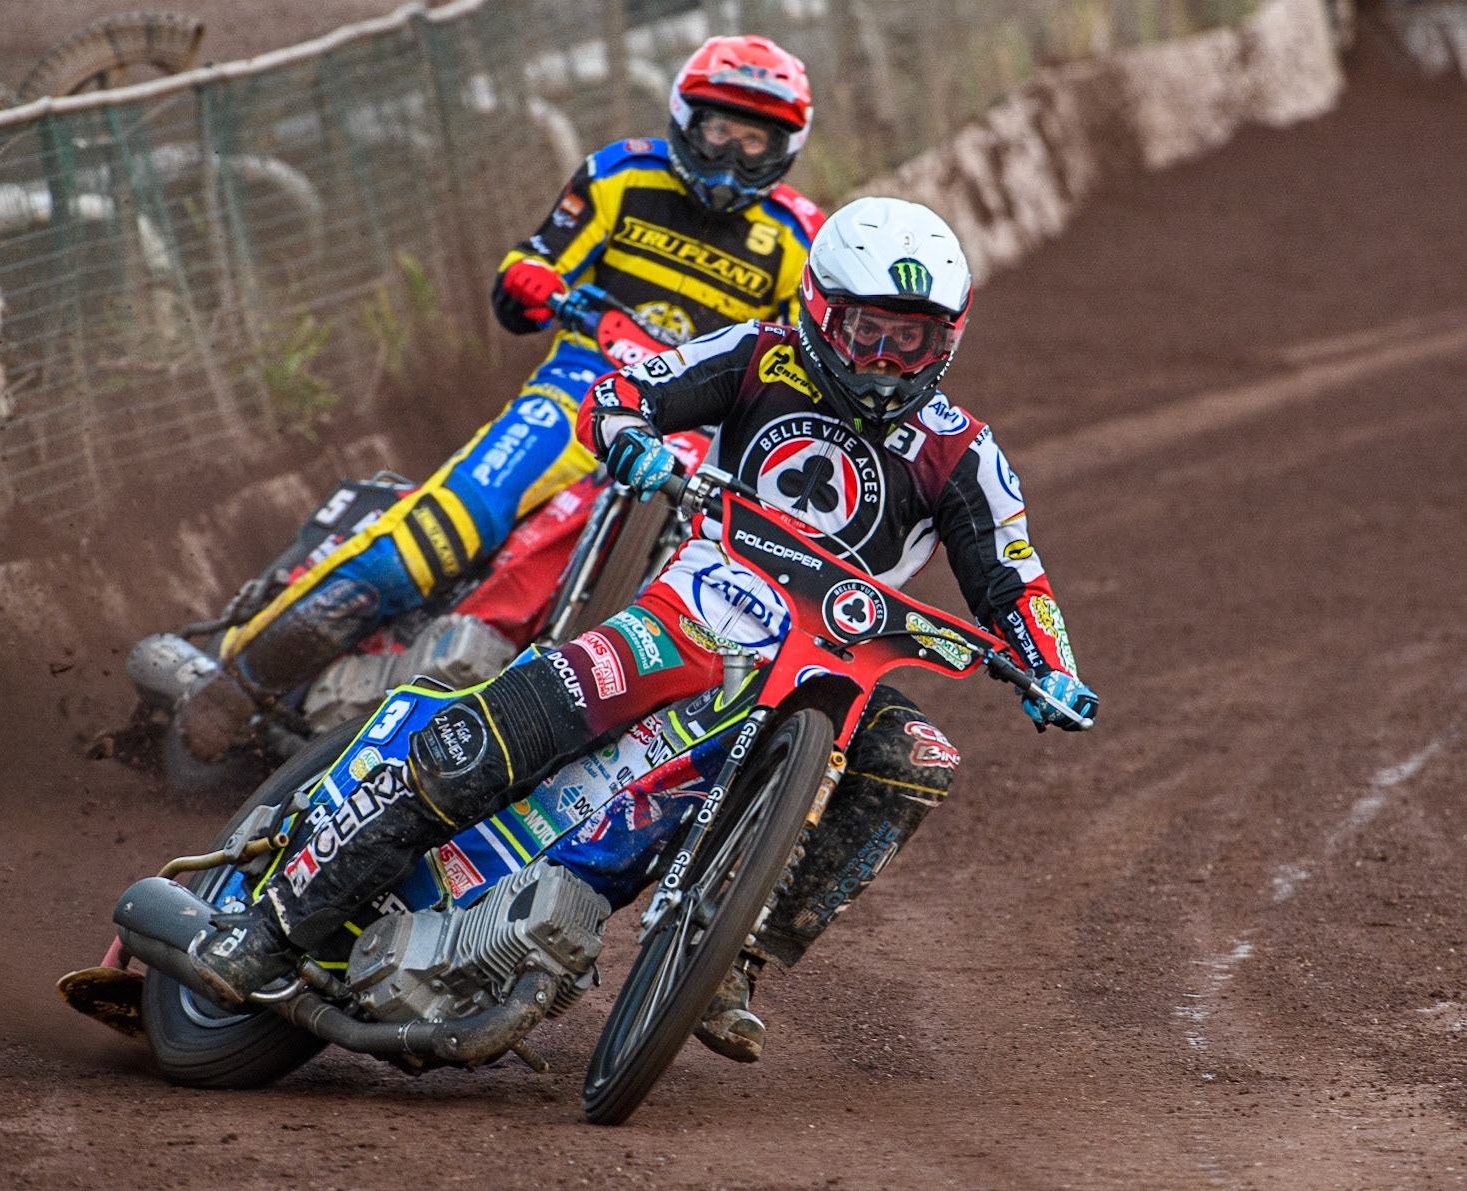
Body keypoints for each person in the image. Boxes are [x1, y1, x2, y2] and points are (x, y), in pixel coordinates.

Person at [189, 197, 1099, 1064]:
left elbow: (1014, 577)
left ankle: (736, 953)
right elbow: (628, 389)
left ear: (951, 339)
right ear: (825, 312)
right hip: (698, 611)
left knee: (919, 757)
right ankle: (269, 932)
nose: (890, 363)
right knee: (481, 742)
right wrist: (628, 432)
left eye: (918, 342)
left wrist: (1050, 665)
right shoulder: (759, 355)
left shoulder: (965, 452)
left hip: (829, 666)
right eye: (872, 334)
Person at [175, 35, 827, 766]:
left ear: (784, 147)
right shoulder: (620, 176)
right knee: (451, 524)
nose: (730, 156)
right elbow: (530, 264)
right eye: (718, 131)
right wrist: (539, 285)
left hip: (698, 433)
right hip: (586, 387)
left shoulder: (801, 237)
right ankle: (239, 679)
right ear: (686, 118)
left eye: (754, 140)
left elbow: (808, 368)